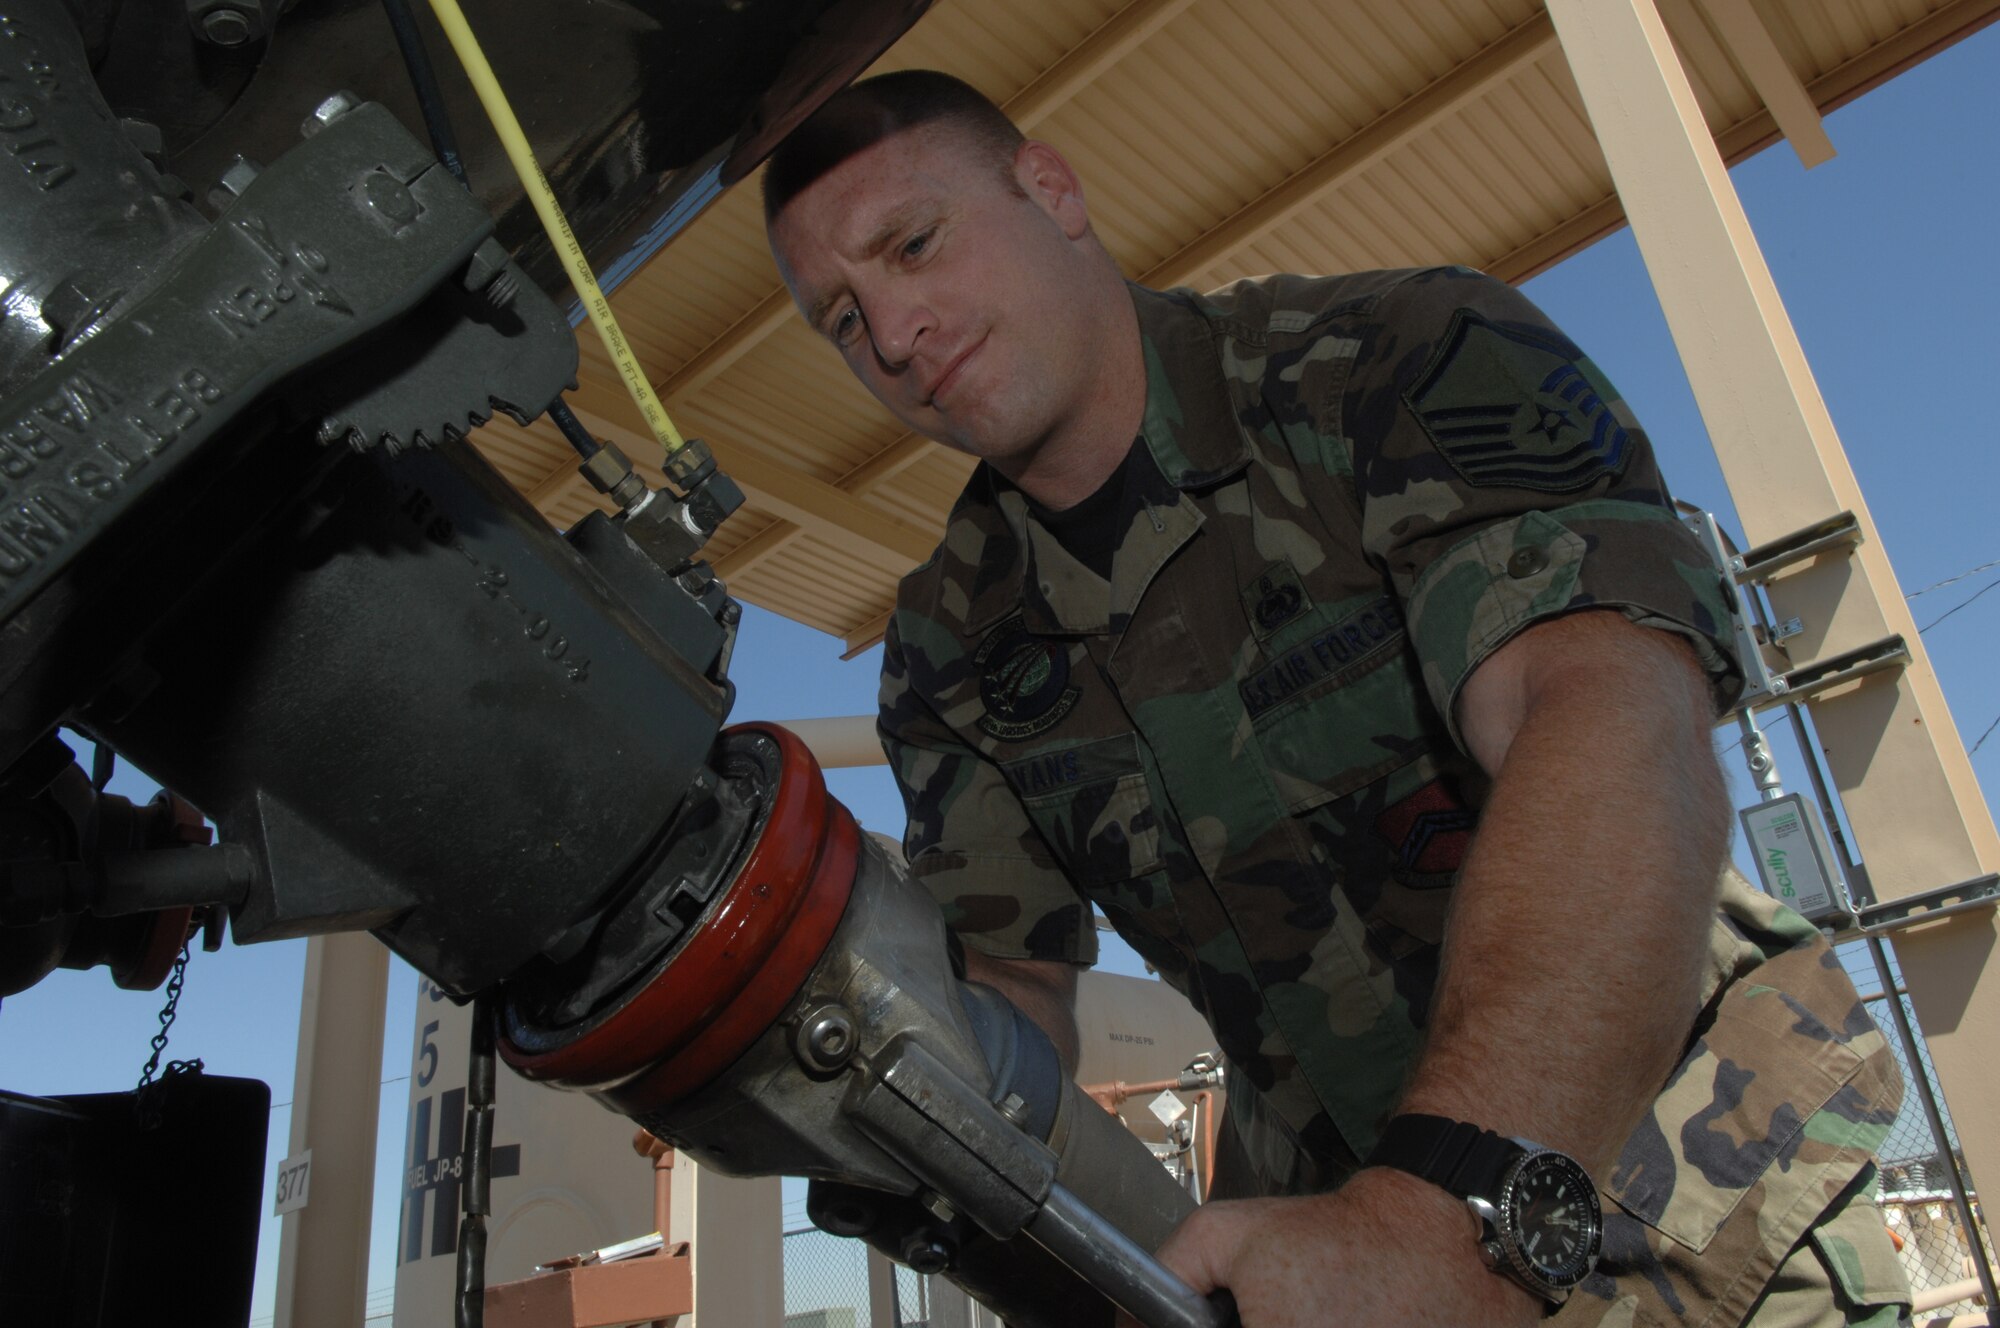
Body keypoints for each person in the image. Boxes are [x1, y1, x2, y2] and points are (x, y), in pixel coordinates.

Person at [761, 70, 1910, 1327]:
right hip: (1335, 1237)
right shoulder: (948, 644)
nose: (892, 332)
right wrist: (837, 1048)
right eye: (841, 318)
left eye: (912, 244)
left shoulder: (1393, 364)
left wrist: (1437, 1213)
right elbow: (1011, 995)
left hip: (1690, 1180)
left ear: (1050, 189)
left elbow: (1603, 716)